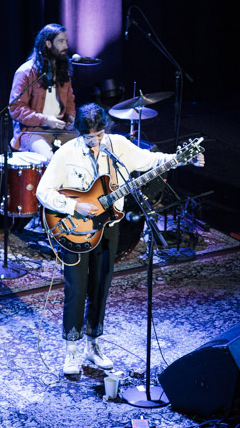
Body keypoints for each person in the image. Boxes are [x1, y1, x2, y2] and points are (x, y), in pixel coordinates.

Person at [36, 103, 204, 376]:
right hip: (75, 229)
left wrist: (183, 158)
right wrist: (74, 207)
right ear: (80, 133)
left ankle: (94, 344)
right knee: (76, 290)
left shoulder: (118, 147)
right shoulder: (66, 153)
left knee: (101, 287)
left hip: (109, 227)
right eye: (89, 137)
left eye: (99, 135)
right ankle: (71, 351)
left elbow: (151, 161)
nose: (95, 142)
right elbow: (44, 191)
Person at [8, 23, 77, 161]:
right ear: (48, 43)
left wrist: (70, 117)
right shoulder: (26, 72)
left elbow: (70, 101)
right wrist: (45, 120)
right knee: (51, 160)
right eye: (61, 41)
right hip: (32, 131)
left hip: (60, 130)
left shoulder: (63, 71)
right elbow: (15, 108)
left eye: (66, 41)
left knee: (83, 152)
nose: (66, 46)